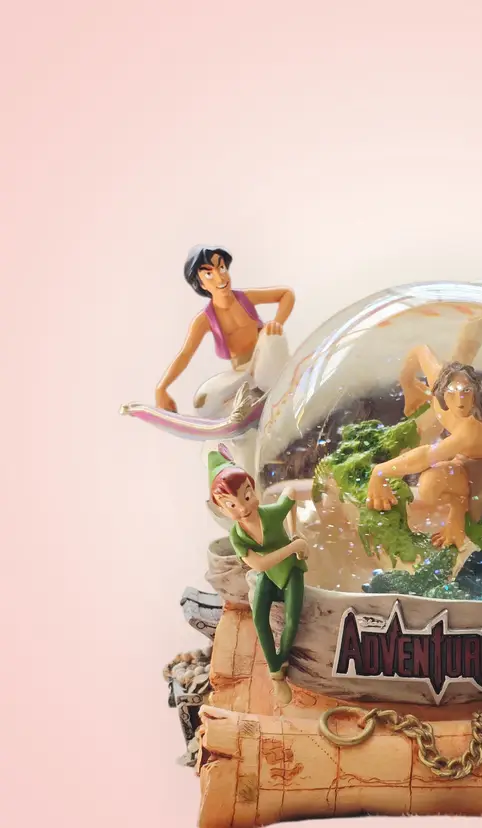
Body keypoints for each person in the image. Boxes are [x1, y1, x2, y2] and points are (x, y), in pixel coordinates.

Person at [365, 355, 482, 597]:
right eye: (452, 393)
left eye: (467, 391)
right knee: (428, 486)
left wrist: (381, 471)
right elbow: (419, 351)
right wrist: (408, 383)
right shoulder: (438, 381)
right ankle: (458, 505)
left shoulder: (472, 427)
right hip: (461, 465)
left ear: (475, 391)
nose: (460, 400)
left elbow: (427, 456)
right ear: (442, 390)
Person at [208, 445, 308, 706]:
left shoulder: (271, 514)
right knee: (259, 618)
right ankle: (276, 675)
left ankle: (280, 664)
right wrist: (293, 546)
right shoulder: (237, 535)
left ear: (254, 490)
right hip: (269, 573)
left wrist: (294, 531)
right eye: (231, 504)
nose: (242, 508)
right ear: (221, 509)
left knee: (292, 621)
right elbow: (260, 565)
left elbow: (290, 493)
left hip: (291, 571)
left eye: (246, 496)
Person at [155, 246, 295, 416]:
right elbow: (185, 354)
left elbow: (286, 294)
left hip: (265, 360)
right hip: (242, 373)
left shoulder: (246, 298)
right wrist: (162, 388)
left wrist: (277, 322)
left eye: (221, 268)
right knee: (203, 401)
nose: (220, 277)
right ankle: (252, 404)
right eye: (209, 274)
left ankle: (279, 392)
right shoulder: (204, 320)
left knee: (272, 336)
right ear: (201, 284)